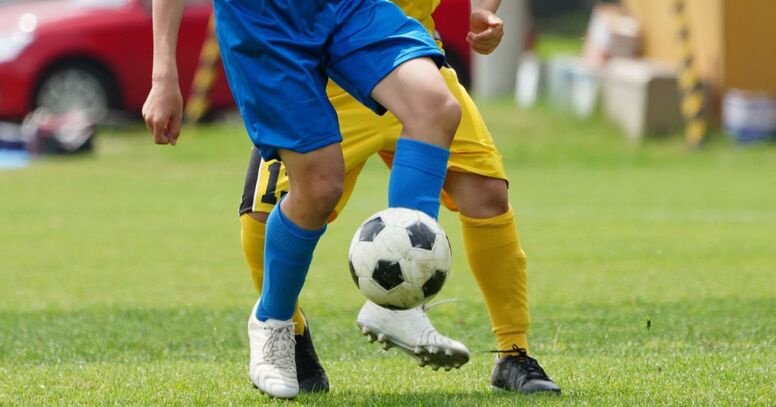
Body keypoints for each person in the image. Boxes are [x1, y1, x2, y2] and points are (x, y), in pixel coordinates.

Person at [142, 0, 464, 400]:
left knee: (435, 106)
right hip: (263, 22)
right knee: (320, 186)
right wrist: (163, 75)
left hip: (347, 7)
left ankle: (399, 305)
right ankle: (272, 320)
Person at [238, 0, 561, 396]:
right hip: (326, 73)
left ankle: (513, 354)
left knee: (487, 194)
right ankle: (289, 337)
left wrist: (481, 9)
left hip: (409, 54)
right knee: (262, 217)